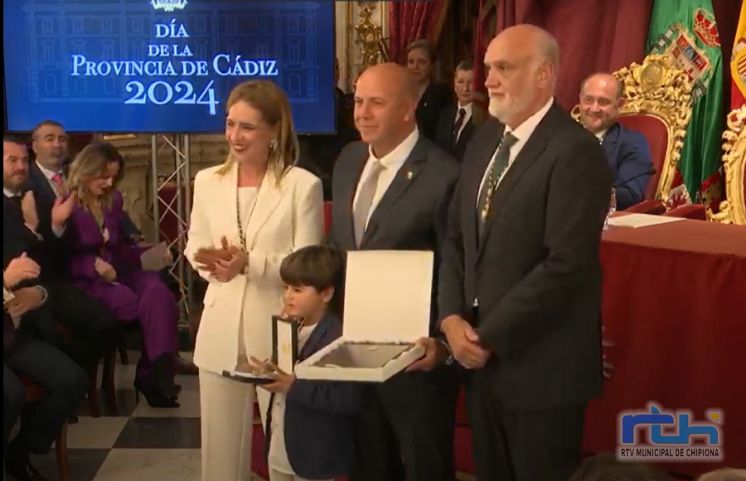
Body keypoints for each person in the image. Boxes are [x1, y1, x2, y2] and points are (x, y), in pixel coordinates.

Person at [438, 25, 612, 481]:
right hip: (481, 367)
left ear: (544, 75)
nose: (488, 80)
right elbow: (456, 237)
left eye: (503, 68)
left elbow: (566, 265)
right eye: (489, 68)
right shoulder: (484, 142)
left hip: (541, 372)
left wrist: (486, 337)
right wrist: (451, 318)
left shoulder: (575, 152)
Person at [184, 79, 324, 481]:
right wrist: (212, 263)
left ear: (273, 132)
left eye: (247, 127)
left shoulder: (302, 186)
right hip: (220, 325)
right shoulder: (207, 181)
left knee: (284, 448)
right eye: (230, 124)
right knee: (219, 454)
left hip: (277, 327)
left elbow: (307, 264)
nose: (234, 136)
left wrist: (251, 264)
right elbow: (195, 245)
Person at [329, 62, 460, 481]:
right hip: (355, 348)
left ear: (407, 109)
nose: (362, 113)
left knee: (425, 464)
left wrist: (442, 342)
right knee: (368, 461)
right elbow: (343, 249)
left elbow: (455, 265)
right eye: (359, 101)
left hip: (415, 358)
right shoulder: (348, 160)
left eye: (376, 103)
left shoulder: (445, 174)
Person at [64, 142, 180, 407]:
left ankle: (153, 376)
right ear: (85, 170)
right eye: (103, 176)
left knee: (157, 291)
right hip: (85, 280)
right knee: (142, 305)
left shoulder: (113, 199)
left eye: (113, 177)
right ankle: (156, 372)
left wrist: (150, 253)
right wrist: (90, 264)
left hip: (117, 269)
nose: (108, 182)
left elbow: (118, 249)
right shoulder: (66, 202)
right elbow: (58, 258)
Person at [4, 132, 120, 369]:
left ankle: (71, 374)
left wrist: (52, 226)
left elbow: (48, 250)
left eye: (24, 161)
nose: (21, 166)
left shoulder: (28, 197)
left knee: (107, 325)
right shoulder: (27, 196)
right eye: (12, 160)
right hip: (19, 294)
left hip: (47, 283)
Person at [250, 245, 360, 481]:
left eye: (297, 290)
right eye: (286, 287)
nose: (288, 296)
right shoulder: (291, 325)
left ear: (326, 294)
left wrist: (292, 386)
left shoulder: (338, 337)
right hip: (281, 447)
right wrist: (270, 369)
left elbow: (347, 399)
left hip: (315, 455)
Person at [3, 254, 89, 481]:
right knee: (11, 394)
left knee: (72, 380)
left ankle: (19, 452)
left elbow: (43, 272)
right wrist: (4, 282)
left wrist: (37, 293)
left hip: (10, 335)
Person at [578, 73, 653, 209]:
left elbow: (631, 195)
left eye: (603, 102)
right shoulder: (560, 136)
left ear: (620, 105)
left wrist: (577, 191)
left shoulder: (633, 143)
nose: (594, 108)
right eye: (588, 100)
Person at [435, 59, 487, 161]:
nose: (465, 88)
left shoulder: (484, 118)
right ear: (454, 84)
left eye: (470, 82)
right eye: (461, 82)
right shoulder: (445, 114)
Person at [406, 39, 453, 141]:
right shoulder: (400, 92)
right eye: (411, 62)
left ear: (432, 65)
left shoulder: (441, 92)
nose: (415, 67)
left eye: (421, 62)